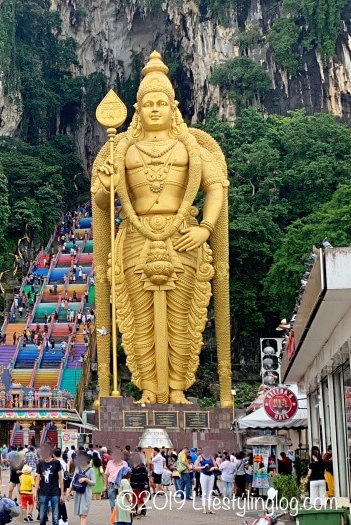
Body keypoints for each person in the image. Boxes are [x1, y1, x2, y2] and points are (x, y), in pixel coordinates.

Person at [92, 51, 231, 406]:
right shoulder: (121, 149)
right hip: (136, 239)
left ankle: (177, 388)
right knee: (137, 319)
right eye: (148, 103)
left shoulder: (193, 148)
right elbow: (103, 203)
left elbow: (215, 186)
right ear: (137, 109)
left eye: (162, 102)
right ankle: (148, 388)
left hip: (183, 236)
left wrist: (205, 227)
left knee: (183, 317)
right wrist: (106, 185)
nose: (155, 109)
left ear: (174, 107)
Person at [34, 446, 64, 525]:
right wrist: (35, 492)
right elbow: (37, 478)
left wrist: (62, 494)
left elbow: (61, 479)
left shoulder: (56, 463)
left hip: (55, 492)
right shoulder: (40, 464)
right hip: (43, 492)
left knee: (55, 517)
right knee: (42, 517)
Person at [68, 451, 95, 525]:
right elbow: (73, 480)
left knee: (83, 515)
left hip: (86, 494)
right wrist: (69, 491)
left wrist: (86, 479)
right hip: (78, 493)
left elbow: (94, 482)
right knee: (80, 514)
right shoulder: (77, 468)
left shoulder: (91, 470)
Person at [194, 448, 216, 514]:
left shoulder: (211, 457)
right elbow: (195, 467)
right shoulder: (200, 457)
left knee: (210, 492)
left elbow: (217, 466)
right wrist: (203, 467)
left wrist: (213, 468)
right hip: (204, 474)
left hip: (211, 475)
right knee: (204, 491)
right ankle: (204, 508)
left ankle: (210, 508)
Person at [130, 453, 149, 518]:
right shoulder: (132, 465)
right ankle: (134, 512)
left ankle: (139, 513)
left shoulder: (142, 466)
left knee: (139, 500)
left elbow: (145, 475)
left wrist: (146, 483)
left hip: (140, 485)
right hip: (133, 485)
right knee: (134, 499)